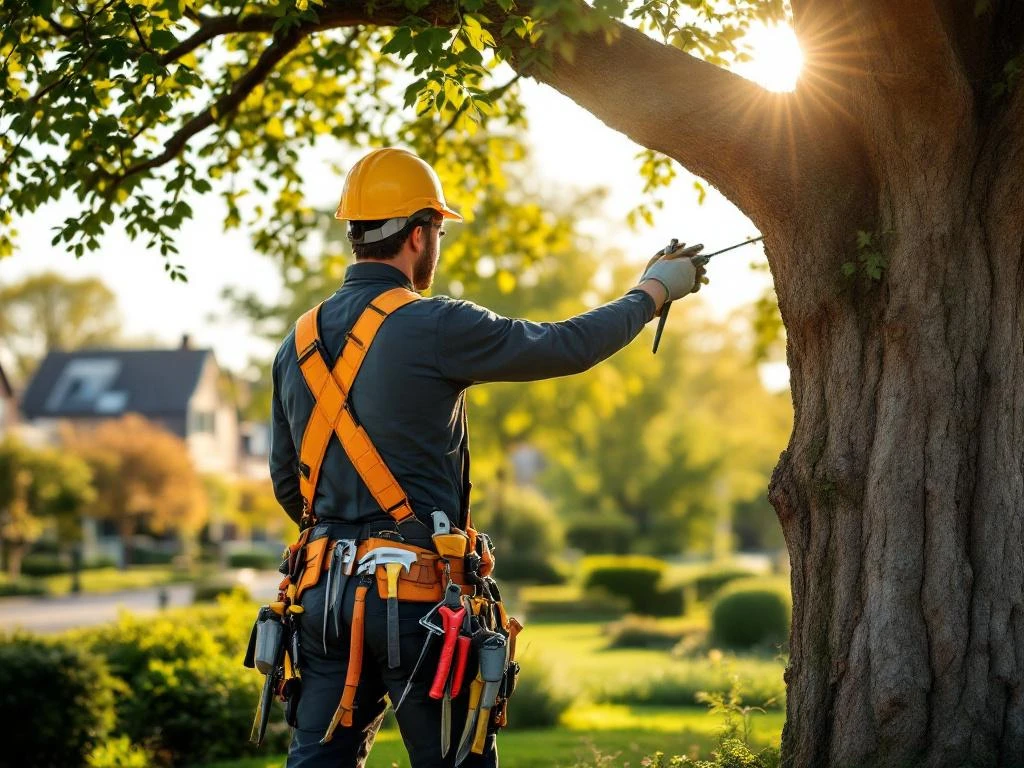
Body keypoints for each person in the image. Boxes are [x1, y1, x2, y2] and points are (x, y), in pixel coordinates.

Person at [269, 147, 705, 768]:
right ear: (418, 234)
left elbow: (289, 486)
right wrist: (653, 290)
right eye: (439, 232)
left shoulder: (297, 343)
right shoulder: (437, 325)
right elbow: (566, 346)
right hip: (419, 604)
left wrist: (347, 536)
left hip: (322, 600)